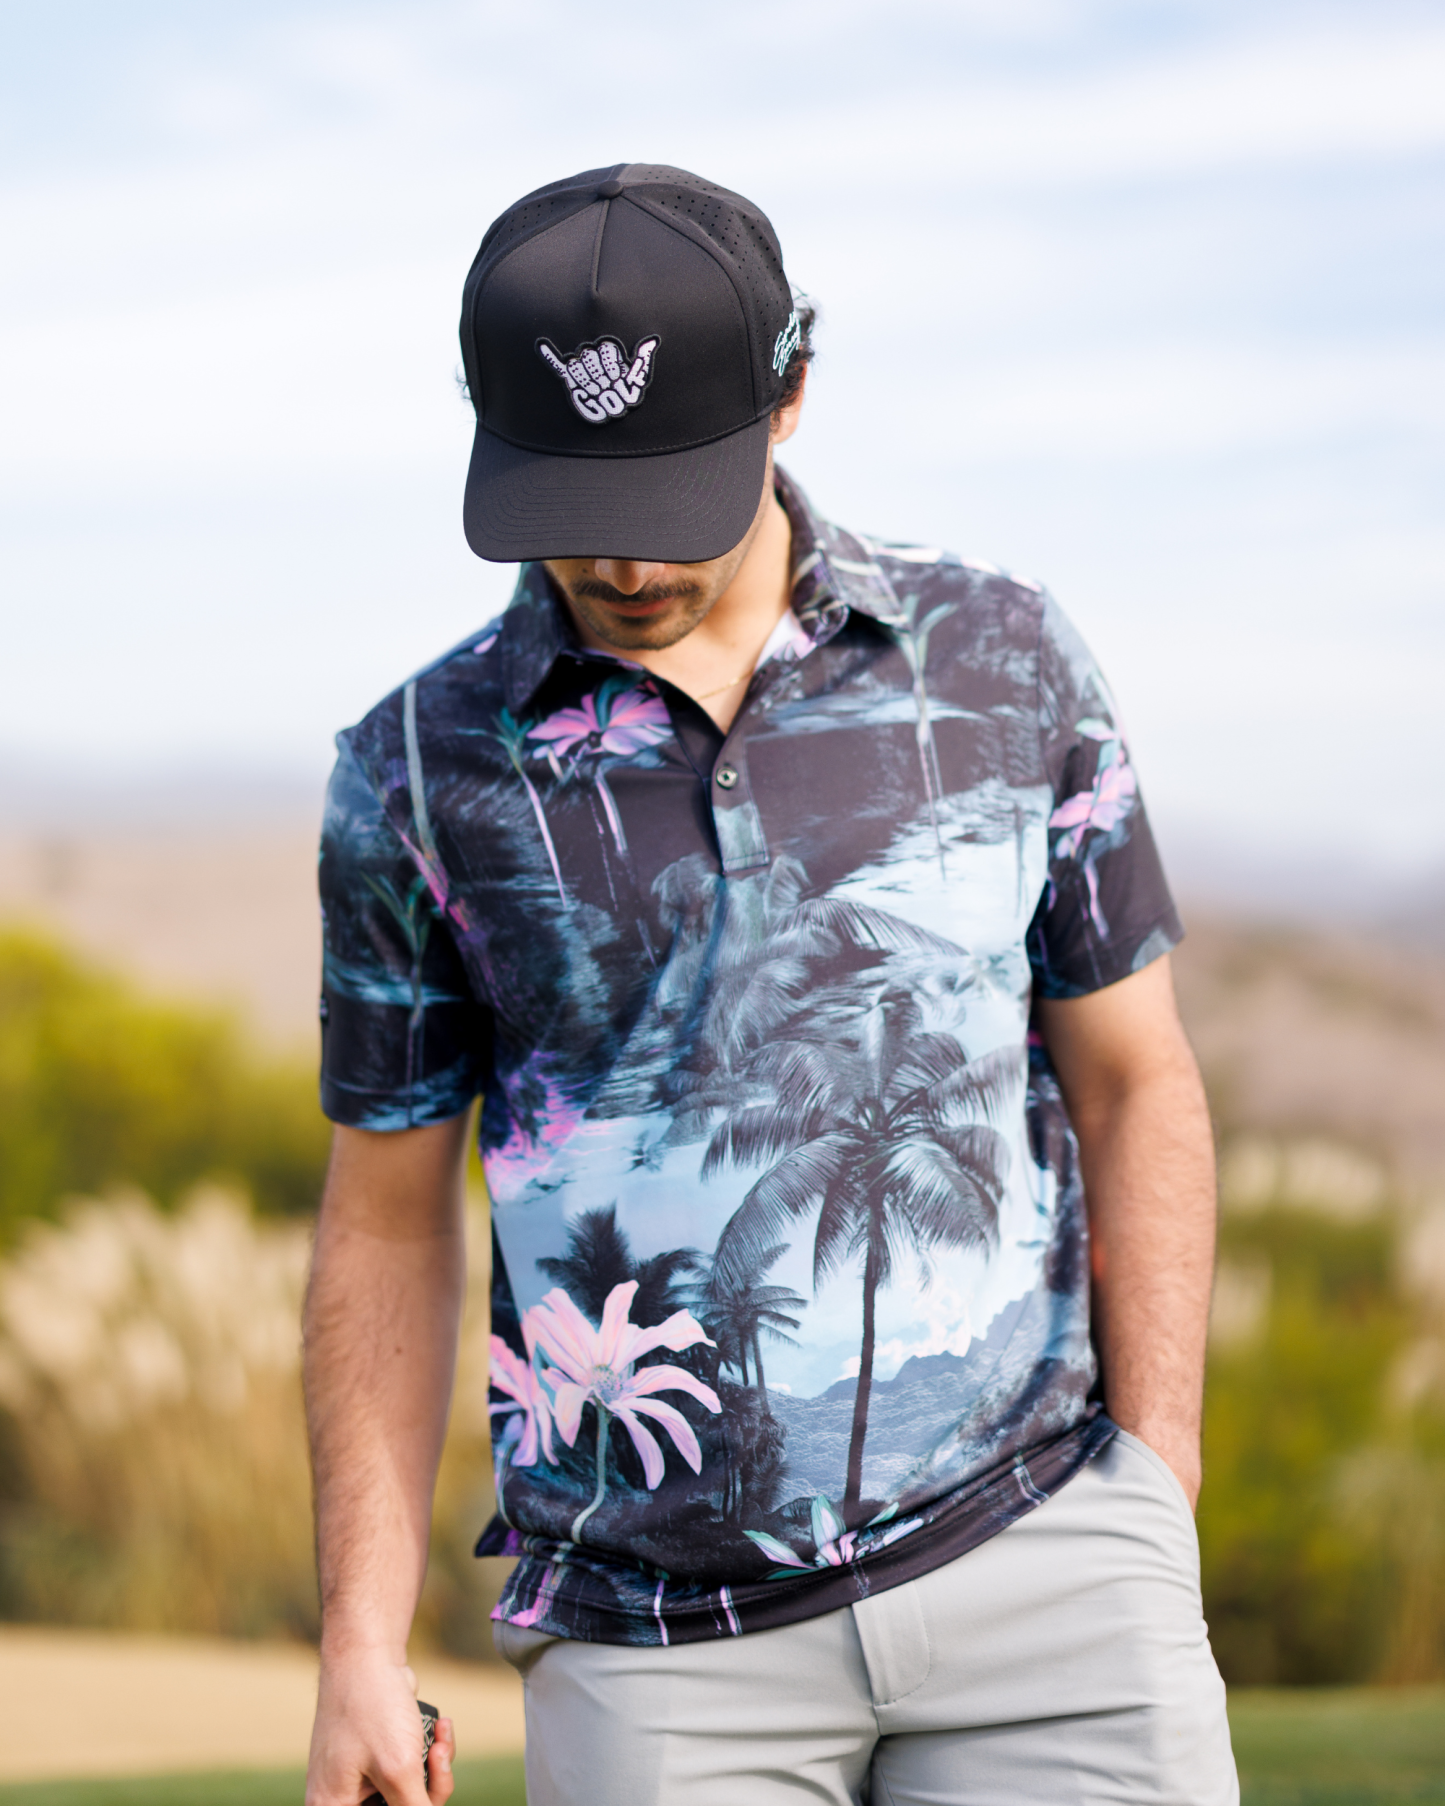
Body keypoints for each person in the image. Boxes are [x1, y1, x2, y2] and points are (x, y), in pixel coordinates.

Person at [303, 164, 1235, 1806]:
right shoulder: (414, 769)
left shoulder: (1006, 656)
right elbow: (385, 1216)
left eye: (668, 495)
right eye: (569, 499)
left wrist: (1159, 1483)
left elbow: (1134, 1077)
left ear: (792, 390)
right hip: (653, 1654)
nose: (620, 558)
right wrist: (358, 1643)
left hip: (1051, 1568)